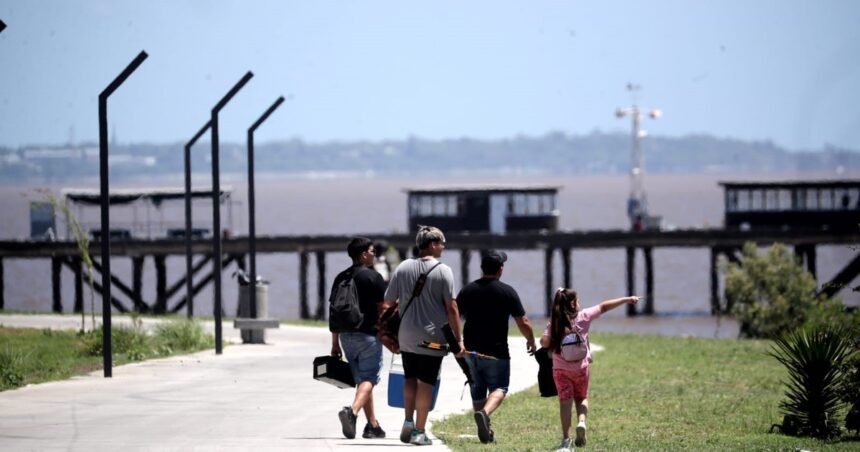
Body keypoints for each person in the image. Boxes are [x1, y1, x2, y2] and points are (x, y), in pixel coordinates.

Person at [382, 225, 463, 446]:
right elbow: (452, 308)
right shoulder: (443, 271)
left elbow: (388, 301)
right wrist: (459, 339)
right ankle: (419, 431)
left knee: (409, 378)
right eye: (441, 243)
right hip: (431, 339)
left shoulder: (403, 267)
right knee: (426, 383)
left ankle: (408, 420)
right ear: (433, 244)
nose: (444, 247)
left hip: (406, 335)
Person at [540, 288, 640, 451]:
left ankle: (566, 440)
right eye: (577, 300)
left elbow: (544, 342)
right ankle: (581, 422)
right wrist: (627, 299)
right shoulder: (584, 316)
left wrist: (548, 337)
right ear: (573, 304)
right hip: (581, 368)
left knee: (565, 403)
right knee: (582, 397)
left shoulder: (554, 322)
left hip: (560, 369)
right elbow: (603, 306)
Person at [456, 250, 536, 444]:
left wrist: (456, 341)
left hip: (470, 350)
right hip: (496, 352)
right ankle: (484, 414)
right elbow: (523, 321)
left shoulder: (468, 290)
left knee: (477, 389)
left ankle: (485, 428)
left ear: (482, 268)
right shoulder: (507, 291)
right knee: (500, 387)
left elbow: (453, 316)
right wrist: (531, 340)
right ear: (501, 269)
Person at [330, 237, 388, 440]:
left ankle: (372, 426)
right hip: (368, 336)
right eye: (372, 252)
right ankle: (352, 412)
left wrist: (335, 343)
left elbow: (334, 312)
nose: (374, 255)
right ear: (363, 255)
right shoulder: (373, 277)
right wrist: (389, 336)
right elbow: (384, 310)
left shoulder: (340, 277)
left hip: (346, 337)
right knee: (369, 378)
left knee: (363, 381)